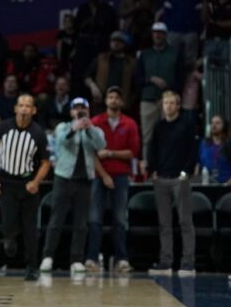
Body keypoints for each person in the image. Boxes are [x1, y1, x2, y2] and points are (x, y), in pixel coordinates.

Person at [0, 94, 51, 281]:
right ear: (15, 108)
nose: (23, 109)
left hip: (27, 182)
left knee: (30, 228)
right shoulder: (3, 127)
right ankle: (9, 238)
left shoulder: (38, 132)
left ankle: (32, 267)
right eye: (20, 105)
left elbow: (46, 162)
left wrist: (36, 182)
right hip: (7, 181)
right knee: (8, 222)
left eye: (28, 106)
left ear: (33, 110)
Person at [40, 97, 105, 274]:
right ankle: (48, 256)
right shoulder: (63, 127)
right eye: (76, 109)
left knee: (81, 222)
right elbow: (61, 142)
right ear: (71, 112)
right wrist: (74, 128)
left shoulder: (95, 129)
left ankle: (76, 259)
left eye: (82, 109)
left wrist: (88, 128)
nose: (79, 112)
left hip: (85, 180)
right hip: (64, 178)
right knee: (56, 219)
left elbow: (101, 145)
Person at [87, 86, 140, 273]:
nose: (113, 100)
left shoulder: (130, 124)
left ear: (122, 102)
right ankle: (92, 258)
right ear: (106, 100)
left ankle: (121, 260)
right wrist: (104, 175)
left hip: (121, 176)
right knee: (94, 218)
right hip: (98, 175)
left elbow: (132, 152)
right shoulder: (95, 122)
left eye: (117, 97)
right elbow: (92, 154)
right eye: (110, 97)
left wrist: (109, 152)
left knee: (119, 219)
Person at [147, 90, 198, 276]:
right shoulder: (159, 126)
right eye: (165, 103)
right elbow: (153, 150)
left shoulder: (186, 125)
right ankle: (166, 261)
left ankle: (188, 262)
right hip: (161, 178)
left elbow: (192, 151)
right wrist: (152, 170)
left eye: (171, 103)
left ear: (177, 106)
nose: (168, 106)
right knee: (164, 223)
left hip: (180, 178)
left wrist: (187, 171)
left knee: (185, 221)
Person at [136, 22, 183, 168]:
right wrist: (151, 79)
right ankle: (148, 169)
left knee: (169, 136)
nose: (157, 35)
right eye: (155, 32)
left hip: (168, 101)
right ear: (152, 35)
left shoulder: (175, 53)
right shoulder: (144, 54)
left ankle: (168, 167)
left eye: (160, 32)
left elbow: (181, 78)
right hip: (148, 99)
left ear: (165, 35)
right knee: (148, 137)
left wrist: (169, 89)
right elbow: (137, 79)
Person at [159, 0, 203, 67]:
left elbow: (200, 16)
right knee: (172, 59)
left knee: (190, 61)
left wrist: (197, 30)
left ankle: (190, 81)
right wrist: (169, 28)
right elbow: (166, 14)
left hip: (191, 32)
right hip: (174, 31)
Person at [84, 31, 137, 112]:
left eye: (118, 41)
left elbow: (136, 85)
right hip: (101, 103)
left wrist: (129, 100)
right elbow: (87, 76)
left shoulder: (131, 62)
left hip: (122, 105)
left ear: (124, 44)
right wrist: (93, 87)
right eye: (113, 41)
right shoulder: (101, 58)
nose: (115, 44)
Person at [198, 115, 231, 184]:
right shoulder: (204, 144)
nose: (214, 125)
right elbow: (199, 164)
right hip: (207, 183)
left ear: (224, 126)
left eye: (217, 123)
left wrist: (228, 183)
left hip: (226, 184)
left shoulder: (228, 144)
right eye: (212, 123)